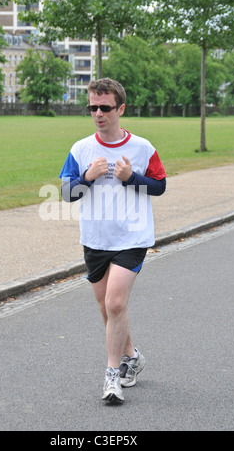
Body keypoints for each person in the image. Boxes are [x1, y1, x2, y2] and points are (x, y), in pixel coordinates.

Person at [59, 78, 166, 403]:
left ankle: (112, 377)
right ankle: (132, 356)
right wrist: (86, 179)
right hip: (95, 238)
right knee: (108, 308)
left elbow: (160, 186)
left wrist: (130, 177)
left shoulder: (142, 147)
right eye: (92, 107)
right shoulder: (80, 149)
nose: (98, 113)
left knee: (115, 304)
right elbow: (66, 194)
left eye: (105, 107)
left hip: (132, 236)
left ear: (120, 108)